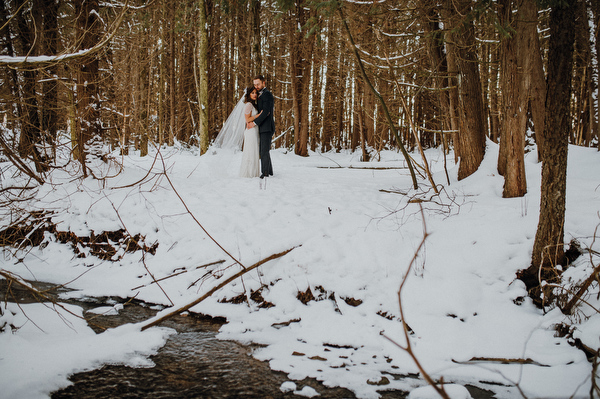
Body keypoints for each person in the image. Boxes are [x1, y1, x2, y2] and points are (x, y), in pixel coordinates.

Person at [247, 75, 275, 178]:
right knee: (264, 150)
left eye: (258, 84)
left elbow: (266, 112)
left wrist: (254, 123)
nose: (256, 86)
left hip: (267, 127)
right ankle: (269, 171)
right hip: (262, 127)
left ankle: (265, 173)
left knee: (263, 151)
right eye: (255, 84)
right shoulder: (260, 94)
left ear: (264, 82)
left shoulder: (267, 94)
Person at [239, 87, 262, 178]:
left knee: (254, 151)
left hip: (254, 130)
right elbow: (247, 119)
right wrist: (258, 115)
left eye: (256, 93)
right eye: (252, 93)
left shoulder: (253, 105)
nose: (255, 94)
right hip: (250, 131)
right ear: (249, 94)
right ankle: (249, 174)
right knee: (250, 152)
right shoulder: (248, 104)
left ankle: (254, 173)